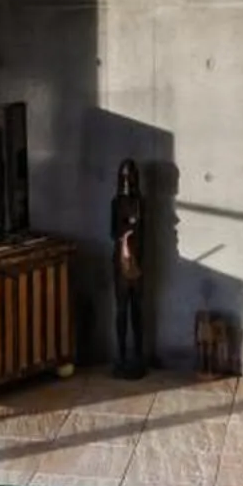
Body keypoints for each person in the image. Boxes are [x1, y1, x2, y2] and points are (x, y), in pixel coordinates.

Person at [110, 159, 148, 378]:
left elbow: (144, 233)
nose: (127, 182)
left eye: (130, 177)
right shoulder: (116, 203)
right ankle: (121, 355)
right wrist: (125, 232)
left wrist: (134, 227)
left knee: (137, 310)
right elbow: (112, 232)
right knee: (122, 310)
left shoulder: (141, 202)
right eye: (124, 178)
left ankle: (138, 355)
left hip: (138, 262)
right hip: (120, 263)